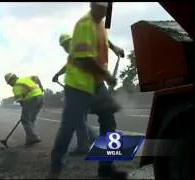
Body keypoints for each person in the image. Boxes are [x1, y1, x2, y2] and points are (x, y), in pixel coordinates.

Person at [49, 2, 127, 179]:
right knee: (69, 126)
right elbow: (85, 60)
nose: (104, 13)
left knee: (108, 120)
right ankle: (55, 169)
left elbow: (103, 39)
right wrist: (107, 74)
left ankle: (106, 167)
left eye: (107, 10)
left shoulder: (99, 23)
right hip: (78, 85)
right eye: (101, 9)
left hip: (96, 83)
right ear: (92, 5)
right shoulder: (84, 24)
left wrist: (114, 48)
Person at [53, 33, 125, 157]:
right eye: (63, 46)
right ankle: (86, 144)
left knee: (106, 117)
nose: (66, 47)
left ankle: (110, 149)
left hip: (97, 87)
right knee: (79, 119)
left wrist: (114, 48)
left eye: (67, 43)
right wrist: (58, 74)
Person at [4, 73, 44, 146]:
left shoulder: (16, 87)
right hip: (40, 97)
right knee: (31, 119)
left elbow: (21, 101)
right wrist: (41, 87)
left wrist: (25, 111)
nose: (9, 84)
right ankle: (29, 139)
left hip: (31, 99)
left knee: (25, 119)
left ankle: (33, 137)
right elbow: (36, 77)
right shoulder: (25, 78)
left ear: (12, 80)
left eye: (9, 83)